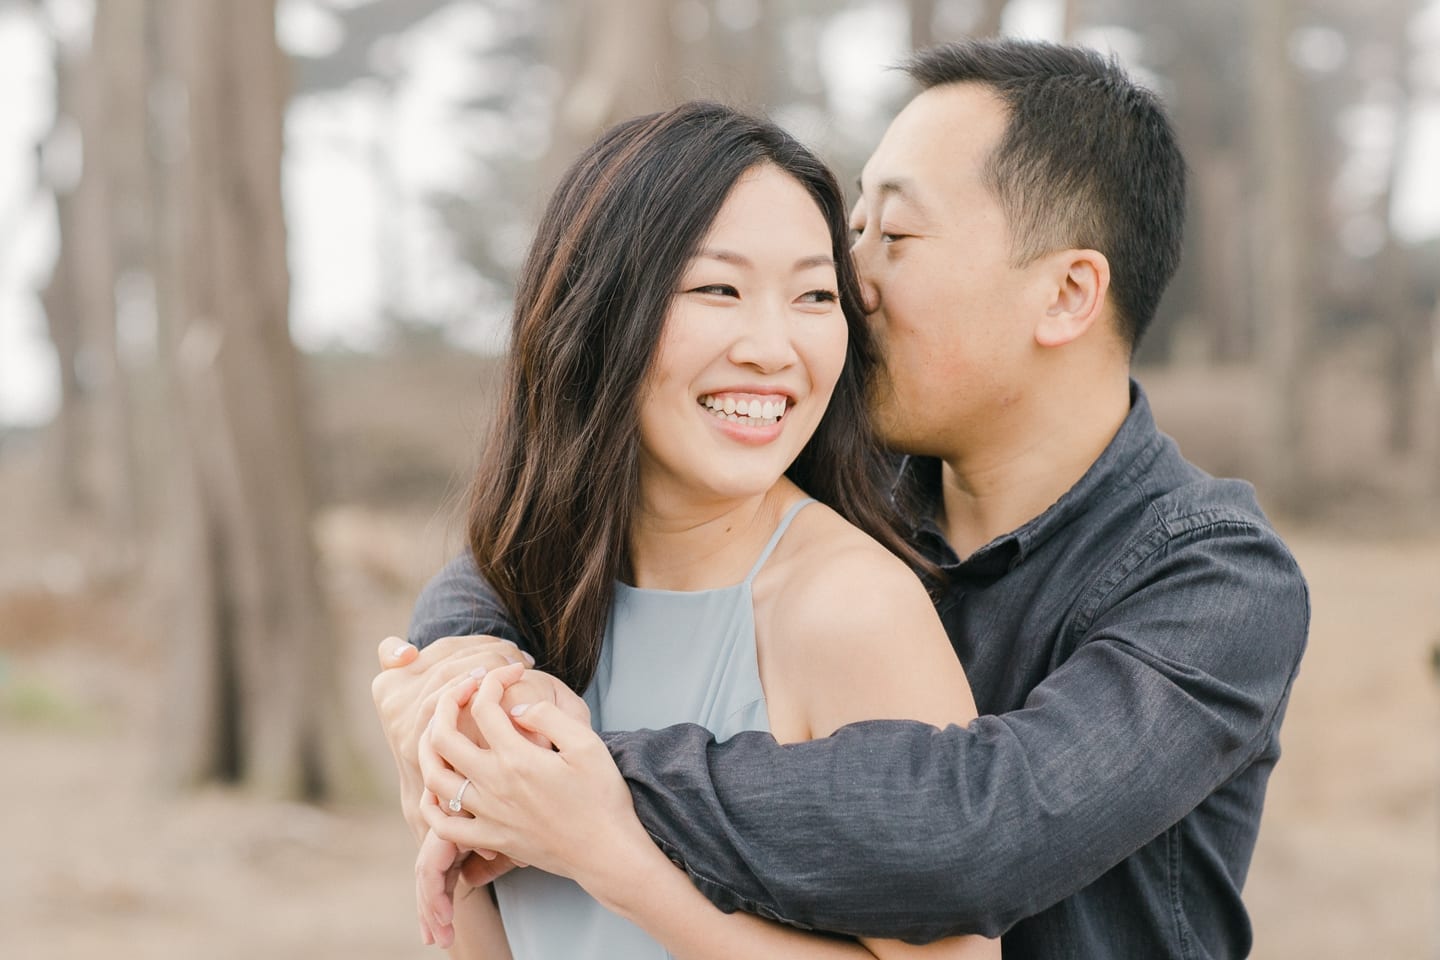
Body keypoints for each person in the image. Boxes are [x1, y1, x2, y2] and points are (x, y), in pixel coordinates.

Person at [374, 38, 1309, 958]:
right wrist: (464, 666)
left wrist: (560, 776)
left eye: (893, 236)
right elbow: (550, 543)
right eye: (851, 233)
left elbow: (969, 834)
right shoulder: (837, 485)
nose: (851, 282)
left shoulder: (1215, 580)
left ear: (1067, 293)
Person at [397, 99, 997, 958]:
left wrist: (615, 859)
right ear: (601, 313)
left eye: (814, 295)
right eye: (719, 288)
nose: (772, 346)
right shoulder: (524, 603)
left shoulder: (851, 611)